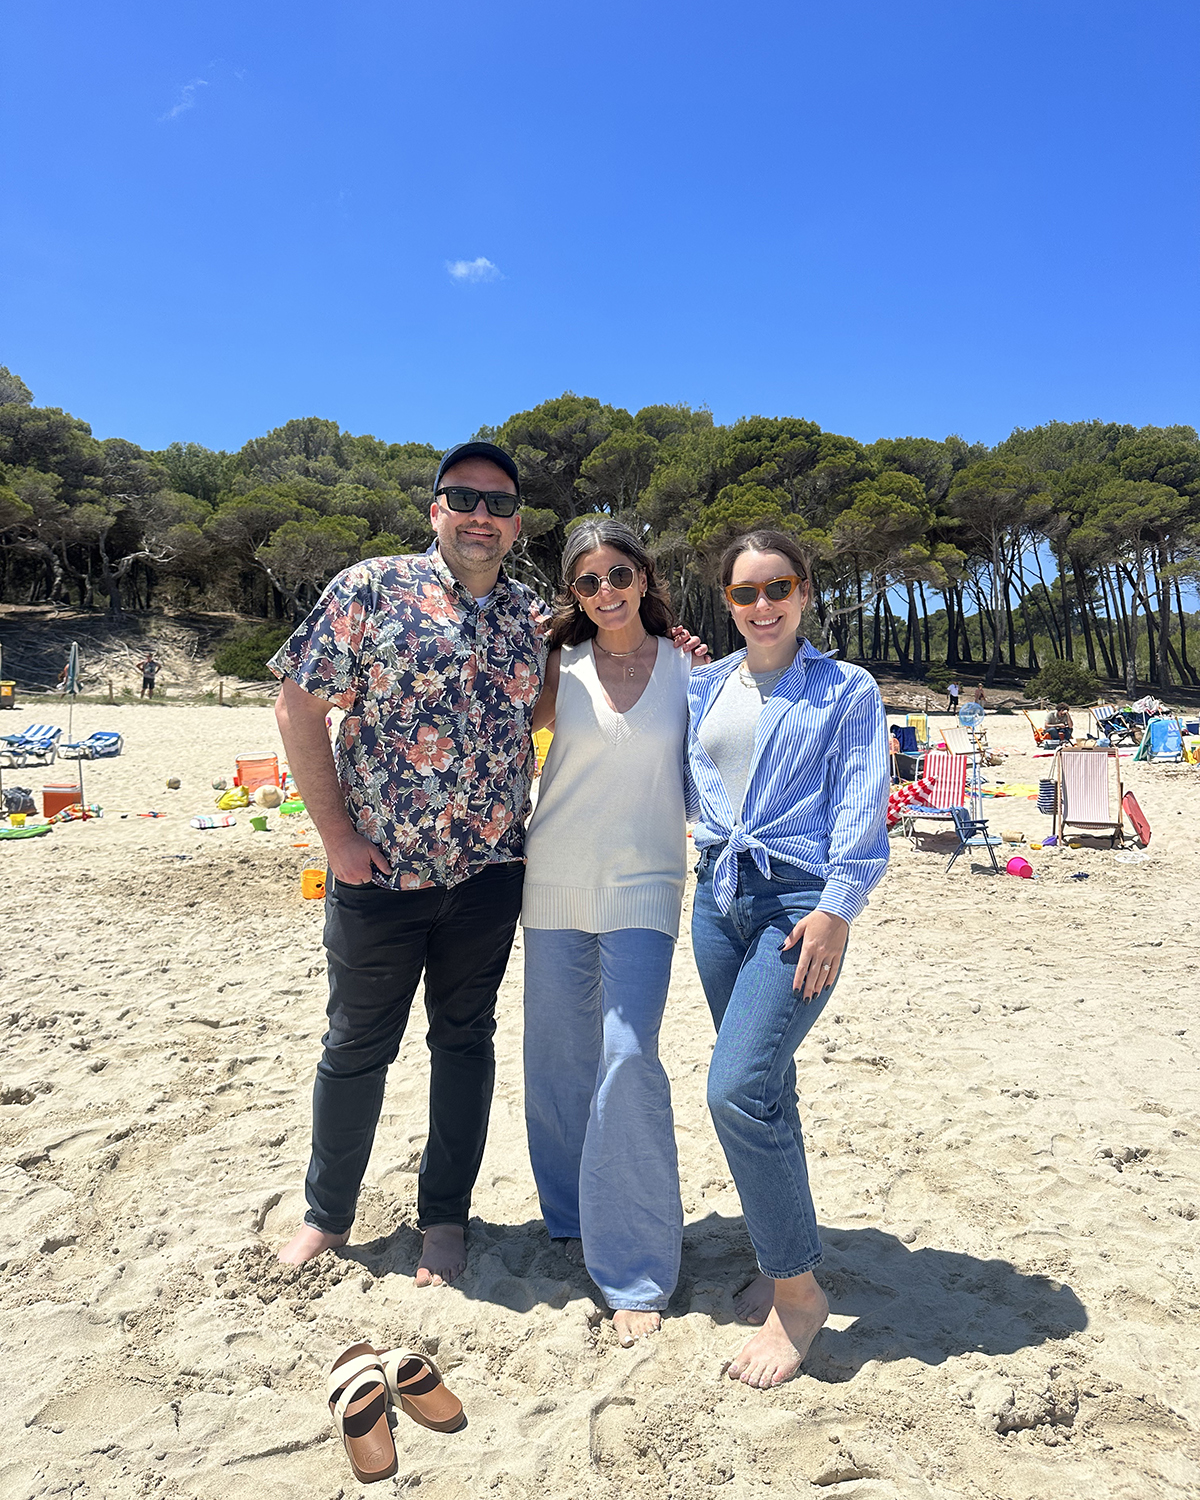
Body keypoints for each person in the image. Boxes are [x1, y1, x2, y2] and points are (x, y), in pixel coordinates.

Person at [268, 441, 544, 1284]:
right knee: (356, 1047)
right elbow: (297, 709)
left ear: (516, 526)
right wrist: (336, 838)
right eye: (464, 499)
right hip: (378, 878)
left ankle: (445, 1217)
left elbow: (586, 682)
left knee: (464, 1045)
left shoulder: (534, 619)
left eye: (499, 504)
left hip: (489, 876)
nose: (481, 516)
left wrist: (674, 643)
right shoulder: (370, 589)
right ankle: (327, 1216)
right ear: (435, 511)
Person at [687, 529, 890, 1389]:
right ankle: (785, 1263)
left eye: (779, 588)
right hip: (717, 899)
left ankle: (799, 1296)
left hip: (799, 907)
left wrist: (838, 907)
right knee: (768, 1091)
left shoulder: (846, 688)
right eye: (745, 593)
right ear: (727, 603)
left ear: (806, 592)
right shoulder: (701, 687)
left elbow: (861, 803)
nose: (763, 606)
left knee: (734, 1088)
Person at [521, 519, 692, 1349]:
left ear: (643, 576)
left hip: (648, 884)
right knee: (557, 1059)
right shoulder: (560, 664)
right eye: (587, 582)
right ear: (575, 594)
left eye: (618, 574)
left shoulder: (692, 670)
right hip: (553, 873)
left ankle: (635, 1270)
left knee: (628, 1058)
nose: (606, 592)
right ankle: (570, 1214)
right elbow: (501, 739)